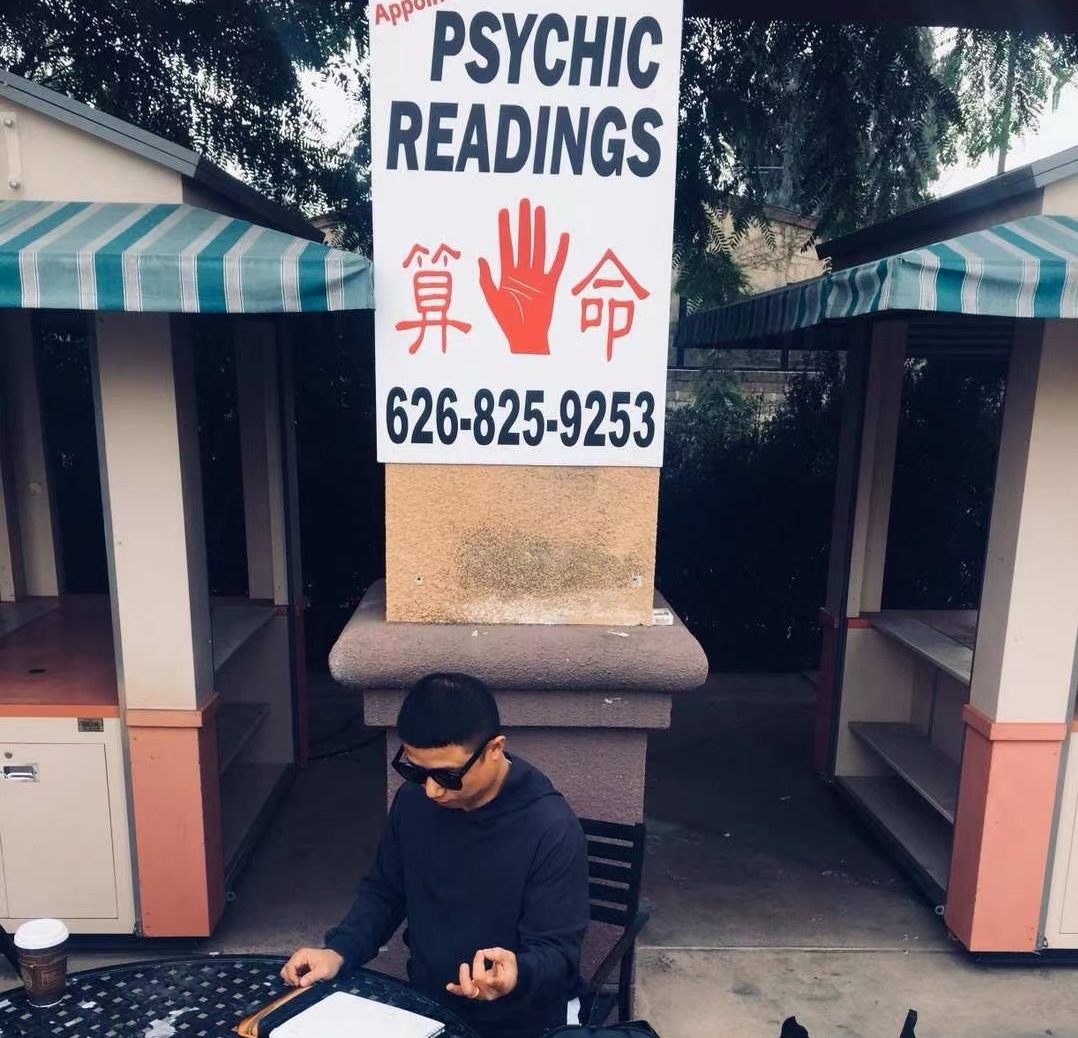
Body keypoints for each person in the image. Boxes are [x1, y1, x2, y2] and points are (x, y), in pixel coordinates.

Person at [281, 672, 590, 1038]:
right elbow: (385, 891)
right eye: (415, 770)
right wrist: (338, 951)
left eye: (447, 776)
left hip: (520, 1022)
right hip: (426, 1007)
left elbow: (557, 953)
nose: (431, 791)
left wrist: (516, 974)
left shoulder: (551, 828)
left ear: (494, 749)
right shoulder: (413, 801)